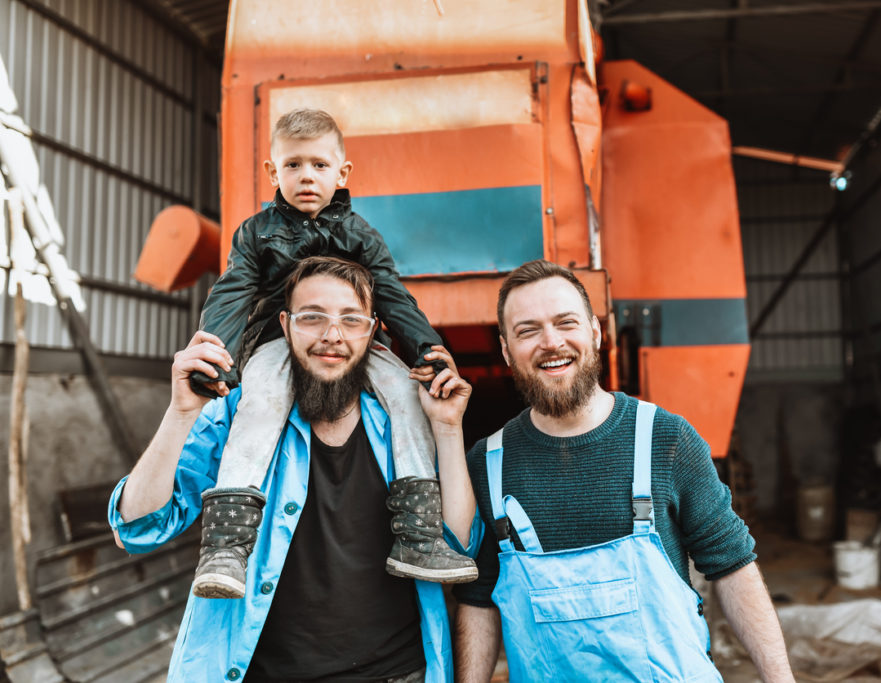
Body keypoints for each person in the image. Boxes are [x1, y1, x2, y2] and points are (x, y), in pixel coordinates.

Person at [108, 256, 480, 683]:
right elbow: (138, 528)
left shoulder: (406, 420)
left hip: (399, 673)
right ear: (285, 325)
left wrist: (449, 428)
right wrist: (180, 413)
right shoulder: (237, 414)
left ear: (373, 331)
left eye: (351, 320)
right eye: (312, 318)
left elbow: (460, 545)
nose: (332, 336)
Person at [453, 260, 794, 682]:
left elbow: (732, 566)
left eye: (566, 322)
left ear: (596, 333)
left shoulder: (666, 440)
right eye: (528, 330)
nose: (551, 341)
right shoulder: (488, 464)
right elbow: (478, 597)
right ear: (506, 350)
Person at [187, 108, 476, 598]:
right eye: (293, 165)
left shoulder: (361, 235)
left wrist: (427, 349)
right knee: (260, 405)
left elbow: (390, 294)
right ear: (271, 172)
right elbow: (232, 294)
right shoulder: (256, 233)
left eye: (319, 165)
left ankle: (417, 535)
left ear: (342, 173)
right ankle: (227, 548)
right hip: (282, 343)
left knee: (407, 398)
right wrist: (216, 355)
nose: (306, 176)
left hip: (361, 346)